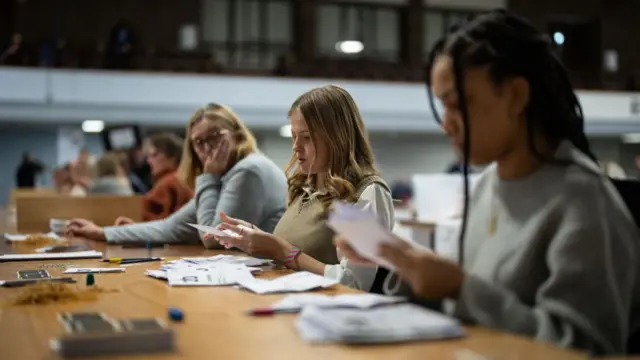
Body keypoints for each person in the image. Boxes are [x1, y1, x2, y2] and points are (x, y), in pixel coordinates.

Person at [336, 11, 639, 355]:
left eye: (456, 104)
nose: (446, 124)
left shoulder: (585, 203)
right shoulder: (485, 187)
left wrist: (460, 287)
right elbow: (463, 311)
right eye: (442, 107)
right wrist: (402, 264)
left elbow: (584, 349)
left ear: (515, 96)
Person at [209, 85, 394, 292]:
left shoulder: (366, 192)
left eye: (306, 137)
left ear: (337, 138)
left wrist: (282, 251)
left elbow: (355, 283)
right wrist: (257, 239)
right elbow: (293, 250)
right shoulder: (306, 186)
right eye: (294, 136)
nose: (296, 147)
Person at [66, 103, 287, 245]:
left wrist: (208, 177)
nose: (207, 148)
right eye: (199, 143)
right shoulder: (226, 173)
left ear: (237, 136)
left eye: (215, 137)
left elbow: (214, 238)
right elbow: (171, 227)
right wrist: (103, 233)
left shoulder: (248, 170)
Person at [115, 132, 193, 224]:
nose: (149, 161)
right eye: (148, 156)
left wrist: (135, 227)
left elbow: (157, 222)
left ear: (172, 156)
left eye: (154, 155)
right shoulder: (184, 178)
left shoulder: (168, 182)